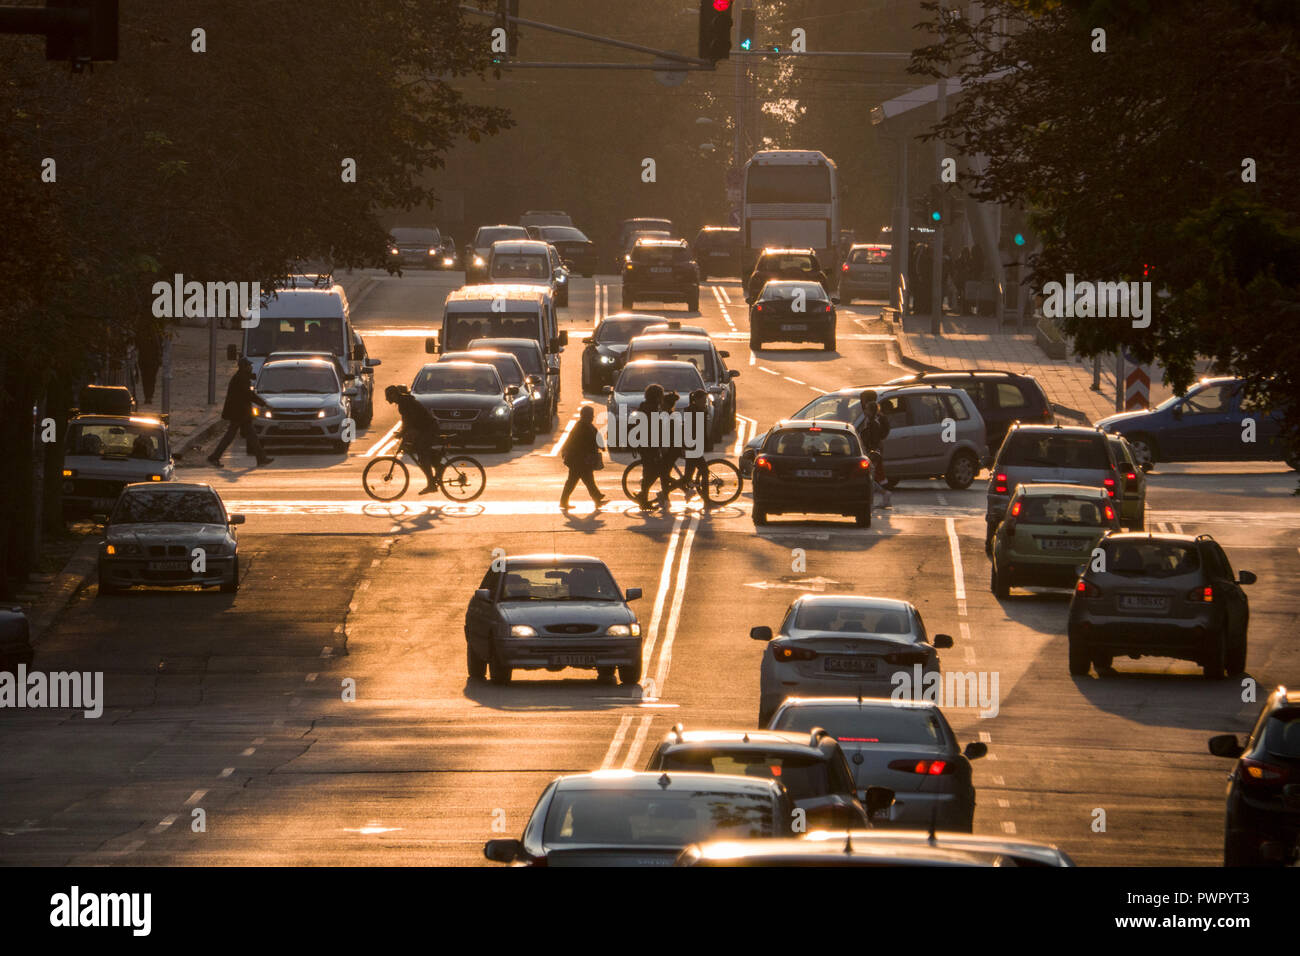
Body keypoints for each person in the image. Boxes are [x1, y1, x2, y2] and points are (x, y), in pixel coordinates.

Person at [207, 358, 273, 467]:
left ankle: (261, 458)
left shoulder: (242, 377)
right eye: (249, 366)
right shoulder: (241, 378)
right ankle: (214, 457)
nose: (251, 367)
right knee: (231, 436)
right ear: (244, 367)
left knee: (251, 435)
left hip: (241, 412)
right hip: (238, 413)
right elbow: (248, 395)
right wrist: (263, 403)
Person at [385, 383, 443, 494]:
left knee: (422, 454)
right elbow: (406, 421)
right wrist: (403, 432)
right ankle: (437, 463)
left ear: (393, 395)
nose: (388, 400)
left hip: (428, 428)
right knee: (418, 450)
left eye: (388, 397)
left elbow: (410, 421)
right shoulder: (404, 402)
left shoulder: (404, 403)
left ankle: (431, 484)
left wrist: (402, 433)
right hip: (424, 428)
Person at [559, 405, 607, 511]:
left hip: (581, 459)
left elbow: (597, 437)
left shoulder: (587, 426)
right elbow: (571, 440)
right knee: (578, 480)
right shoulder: (581, 427)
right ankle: (596, 498)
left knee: (585, 479)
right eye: (591, 415)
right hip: (578, 459)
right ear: (585, 416)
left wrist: (601, 446)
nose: (592, 417)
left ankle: (597, 498)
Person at [857, 390, 892, 509]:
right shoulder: (872, 420)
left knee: (871, 476)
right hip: (874, 451)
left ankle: (882, 496)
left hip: (873, 452)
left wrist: (870, 451)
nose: (863, 408)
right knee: (877, 475)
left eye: (865, 407)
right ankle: (884, 496)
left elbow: (874, 439)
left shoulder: (873, 422)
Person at [636, 384, 668, 510]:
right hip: (649, 445)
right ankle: (642, 497)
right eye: (661, 395)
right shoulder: (652, 409)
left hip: (643, 444)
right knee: (654, 471)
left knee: (648, 470)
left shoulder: (644, 406)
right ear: (657, 396)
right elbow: (656, 429)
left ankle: (643, 496)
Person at [681, 388, 710, 501]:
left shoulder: (697, 411)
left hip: (694, 447)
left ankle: (664, 492)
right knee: (704, 471)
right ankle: (706, 500)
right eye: (703, 400)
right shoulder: (694, 412)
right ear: (696, 401)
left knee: (687, 477)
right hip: (693, 448)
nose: (705, 403)